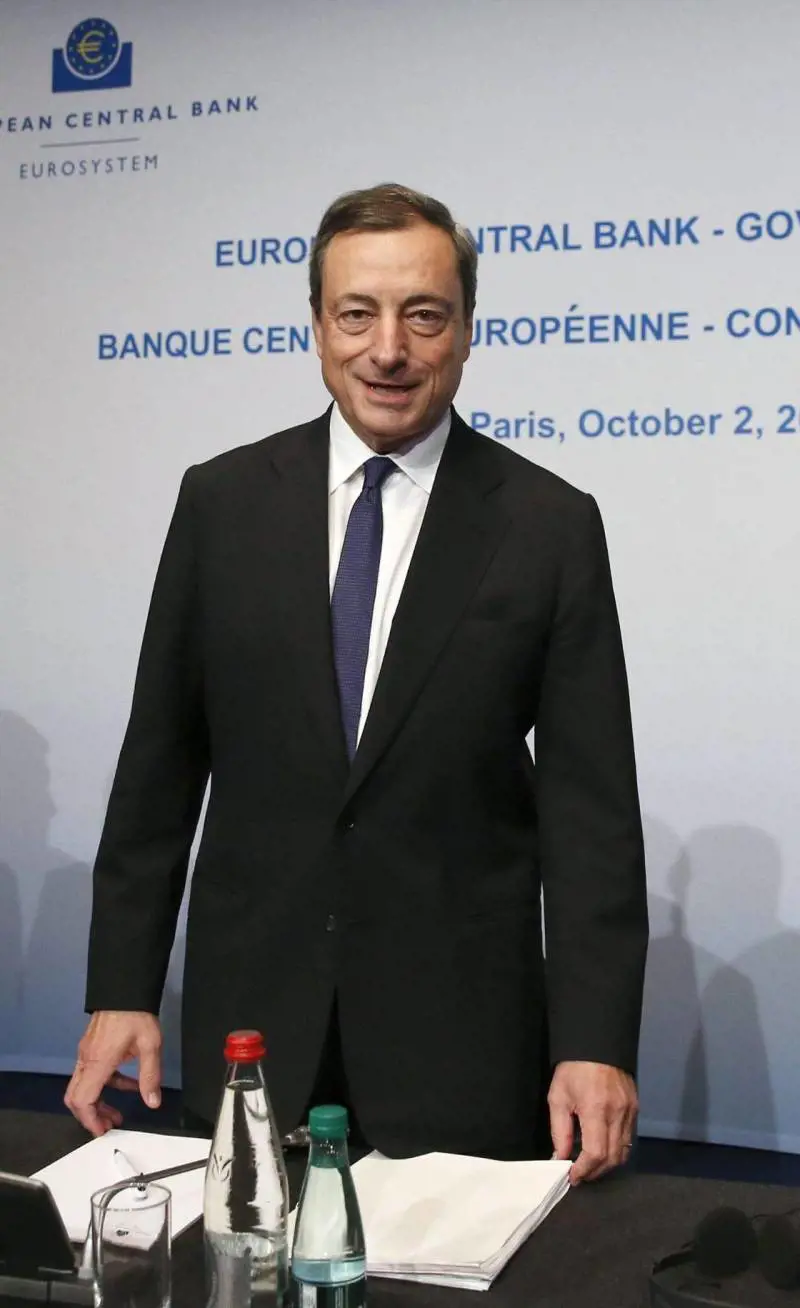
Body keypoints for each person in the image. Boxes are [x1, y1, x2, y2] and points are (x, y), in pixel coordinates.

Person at [66, 183, 648, 1182]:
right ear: (316, 327)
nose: (388, 349)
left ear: (466, 330)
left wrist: (594, 1041)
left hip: (461, 1045)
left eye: (423, 315)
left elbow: (589, 811)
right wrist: (122, 986)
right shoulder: (220, 503)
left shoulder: (549, 525)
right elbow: (159, 766)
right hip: (252, 1029)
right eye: (356, 314)